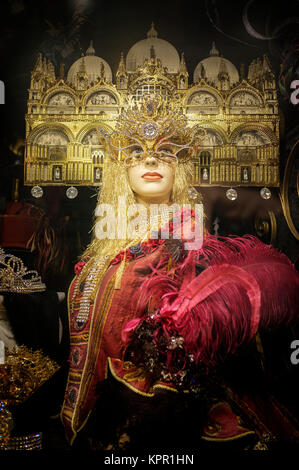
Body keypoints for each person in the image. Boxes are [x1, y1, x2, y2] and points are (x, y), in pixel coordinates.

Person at [61, 94, 299, 451]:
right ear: (120, 169)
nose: (151, 158)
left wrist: (180, 337)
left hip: (160, 424)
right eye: (136, 153)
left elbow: (223, 349)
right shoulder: (102, 253)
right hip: (94, 424)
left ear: (180, 167)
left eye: (166, 151)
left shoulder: (190, 247)